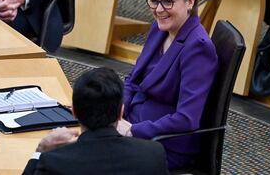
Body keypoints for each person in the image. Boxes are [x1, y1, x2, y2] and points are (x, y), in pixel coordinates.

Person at [118, 0, 219, 170]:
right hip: (131, 123)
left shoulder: (198, 48)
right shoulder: (160, 28)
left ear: (190, 2)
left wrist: (133, 130)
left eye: (167, 2)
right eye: (154, 1)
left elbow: (187, 119)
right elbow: (133, 80)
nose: (159, 9)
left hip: (164, 144)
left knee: (93, 158)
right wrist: (117, 111)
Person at [22, 67, 169, 175]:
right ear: (121, 112)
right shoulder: (154, 154)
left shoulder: (53, 161)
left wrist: (39, 151)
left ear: (74, 112)